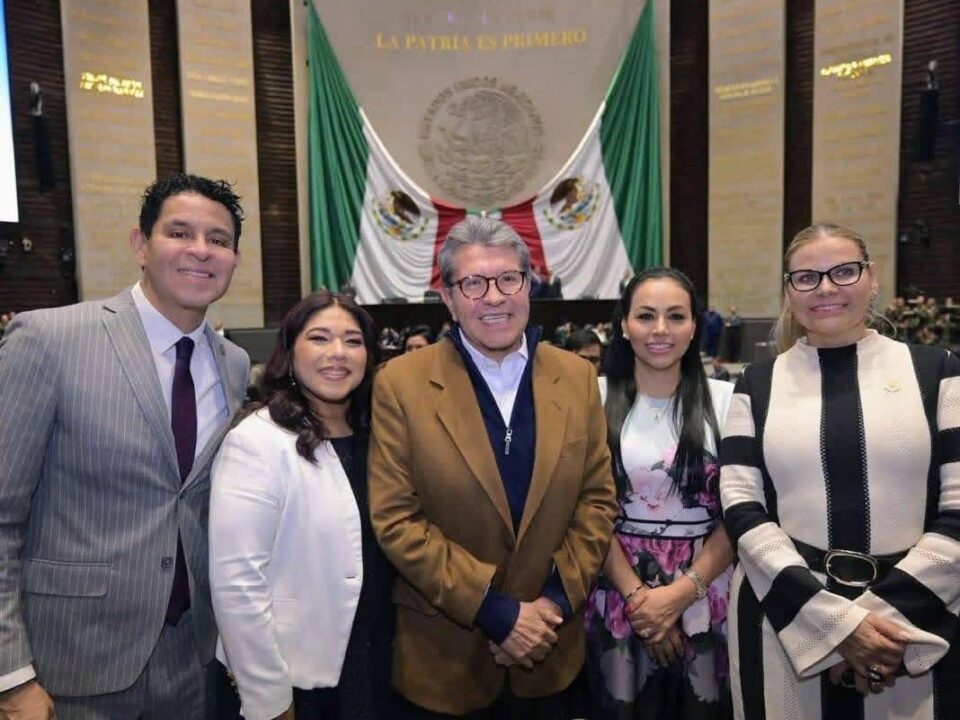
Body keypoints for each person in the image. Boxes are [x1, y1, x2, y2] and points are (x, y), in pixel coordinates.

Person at [0, 173, 250, 719]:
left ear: (234, 259)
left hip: (191, 662)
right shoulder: (50, 340)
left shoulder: (233, 364)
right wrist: (11, 676)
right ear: (141, 244)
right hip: (69, 665)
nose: (200, 250)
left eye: (219, 239)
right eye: (179, 232)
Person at [368, 216, 618, 718]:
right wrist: (497, 613)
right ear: (448, 297)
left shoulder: (576, 377)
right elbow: (396, 520)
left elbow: (597, 502)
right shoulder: (400, 383)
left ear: (529, 286)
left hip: (551, 651)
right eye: (473, 284)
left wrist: (549, 606)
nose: (494, 297)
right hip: (444, 659)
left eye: (508, 279)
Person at [721, 223, 960, 720]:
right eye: (807, 277)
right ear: (789, 291)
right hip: (782, 623)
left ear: (872, 279)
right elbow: (742, 508)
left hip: (914, 627)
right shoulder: (756, 384)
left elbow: (958, 509)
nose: (826, 288)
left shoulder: (939, 371)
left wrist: (875, 625)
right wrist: (830, 626)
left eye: (844, 272)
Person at [209, 290, 396, 720]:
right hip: (296, 677)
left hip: (379, 661)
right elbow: (238, 583)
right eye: (319, 338)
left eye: (353, 341)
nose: (338, 352)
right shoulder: (258, 441)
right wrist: (268, 698)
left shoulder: (381, 436)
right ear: (289, 353)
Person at [585, 268, 735, 719]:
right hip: (616, 586)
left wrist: (680, 595)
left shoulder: (729, 400)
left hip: (708, 588)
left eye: (676, 316)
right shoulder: (590, 398)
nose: (661, 330)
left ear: (694, 327)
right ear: (624, 325)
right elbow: (582, 510)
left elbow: (743, 511)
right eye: (646, 316)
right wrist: (638, 599)